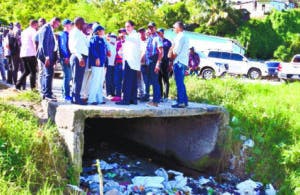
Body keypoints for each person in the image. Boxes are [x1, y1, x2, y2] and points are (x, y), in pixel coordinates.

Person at [116, 20, 141, 105]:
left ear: (133, 27)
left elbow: (133, 40)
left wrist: (124, 37)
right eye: (126, 27)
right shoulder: (129, 36)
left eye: (128, 26)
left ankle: (126, 100)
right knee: (133, 82)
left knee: (127, 81)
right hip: (129, 61)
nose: (127, 28)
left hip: (131, 61)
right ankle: (133, 99)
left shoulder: (135, 35)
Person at [36, 17, 61, 101]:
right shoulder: (46, 28)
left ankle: (46, 92)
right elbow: (44, 43)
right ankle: (47, 94)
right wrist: (47, 56)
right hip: (46, 55)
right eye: (57, 24)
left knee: (47, 74)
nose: (57, 26)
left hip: (50, 55)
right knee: (48, 74)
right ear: (54, 22)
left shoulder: (50, 28)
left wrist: (55, 57)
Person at [69, 17, 89, 105]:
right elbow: (74, 47)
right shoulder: (75, 32)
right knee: (77, 79)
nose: (84, 25)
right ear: (78, 24)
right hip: (78, 57)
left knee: (78, 79)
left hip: (80, 57)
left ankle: (75, 98)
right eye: (83, 23)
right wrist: (80, 58)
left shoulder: (80, 32)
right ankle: (76, 99)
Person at [144, 22, 163, 107]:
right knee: (152, 81)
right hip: (149, 61)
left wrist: (158, 64)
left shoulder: (157, 38)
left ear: (155, 28)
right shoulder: (150, 38)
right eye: (149, 27)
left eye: (152, 27)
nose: (150, 29)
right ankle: (155, 100)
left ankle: (155, 101)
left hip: (154, 60)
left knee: (155, 81)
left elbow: (161, 52)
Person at [170, 21, 189, 108]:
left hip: (178, 62)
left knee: (179, 83)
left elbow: (175, 52)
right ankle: (184, 101)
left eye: (174, 27)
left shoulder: (180, 37)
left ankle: (181, 102)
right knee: (181, 82)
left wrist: (171, 60)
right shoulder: (184, 36)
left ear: (179, 28)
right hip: (182, 62)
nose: (173, 29)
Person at [16, 19, 38, 90]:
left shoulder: (24, 31)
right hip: (31, 53)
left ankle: (18, 84)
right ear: (35, 24)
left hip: (23, 53)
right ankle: (33, 88)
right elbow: (34, 42)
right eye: (37, 25)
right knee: (33, 71)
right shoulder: (33, 31)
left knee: (27, 71)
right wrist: (37, 52)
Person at [87, 25, 107, 105]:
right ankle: (91, 99)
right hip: (96, 63)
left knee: (100, 82)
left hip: (102, 63)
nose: (104, 32)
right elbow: (92, 49)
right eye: (102, 30)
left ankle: (99, 99)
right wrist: (97, 57)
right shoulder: (94, 38)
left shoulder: (102, 39)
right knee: (95, 81)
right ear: (98, 31)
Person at [58, 19, 72, 102]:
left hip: (68, 58)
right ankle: (66, 95)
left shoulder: (68, 34)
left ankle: (64, 94)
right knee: (67, 77)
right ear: (66, 25)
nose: (71, 26)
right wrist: (66, 57)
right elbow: (63, 46)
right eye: (70, 24)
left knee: (67, 77)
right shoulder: (63, 34)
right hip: (65, 58)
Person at [111, 28, 126, 102]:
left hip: (124, 64)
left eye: (122, 32)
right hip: (117, 64)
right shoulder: (117, 43)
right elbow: (115, 53)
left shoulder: (128, 42)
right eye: (120, 32)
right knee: (117, 81)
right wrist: (114, 62)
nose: (121, 34)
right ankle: (118, 96)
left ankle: (125, 96)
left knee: (125, 81)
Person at [157, 28, 172, 102]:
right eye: (158, 33)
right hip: (158, 62)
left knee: (165, 79)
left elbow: (171, 53)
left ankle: (166, 96)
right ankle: (160, 95)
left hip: (165, 62)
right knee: (158, 79)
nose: (158, 34)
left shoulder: (167, 42)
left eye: (159, 32)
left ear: (163, 33)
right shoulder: (157, 41)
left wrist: (170, 64)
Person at [35, 18, 47, 91]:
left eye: (43, 21)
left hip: (46, 53)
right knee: (41, 71)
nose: (42, 23)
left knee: (45, 71)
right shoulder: (38, 32)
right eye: (41, 21)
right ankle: (40, 88)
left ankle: (44, 87)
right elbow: (35, 42)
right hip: (40, 53)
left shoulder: (46, 30)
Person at [105, 33, 117, 98]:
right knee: (108, 79)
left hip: (114, 65)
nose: (113, 38)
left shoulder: (116, 45)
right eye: (112, 37)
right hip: (108, 64)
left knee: (113, 79)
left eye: (114, 37)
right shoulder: (107, 44)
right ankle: (108, 93)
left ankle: (113, 92)